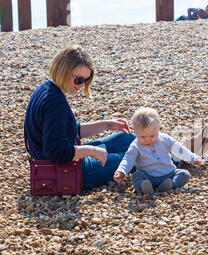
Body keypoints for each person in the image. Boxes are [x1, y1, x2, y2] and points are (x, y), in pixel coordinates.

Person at [24, 46, 136, 191]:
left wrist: (107, 124)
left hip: (66, 161)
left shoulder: (47, 88)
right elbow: (57, 152)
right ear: (64, 71)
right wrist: (92, 151)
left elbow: (68, 129)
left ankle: (168, 155)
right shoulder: (55, 103)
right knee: (137, 154)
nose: (82, 85)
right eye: (78, 79)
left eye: (86, 80)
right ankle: (171, 165)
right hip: (68, 171)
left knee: (128, 138)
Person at [114, 108, 202, 195]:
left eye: (152, 136)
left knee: (184, 174)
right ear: (135, 132)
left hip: (168, 173)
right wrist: (121, 171)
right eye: (143, 137)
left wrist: (193, 158)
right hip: (147, 176)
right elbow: (128, 159)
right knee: (136, 176)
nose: (148, 140)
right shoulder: (136, 145)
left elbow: (179, 149)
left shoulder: (165, 139)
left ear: (159, 129)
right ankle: (144, 187)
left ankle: (170, 184)